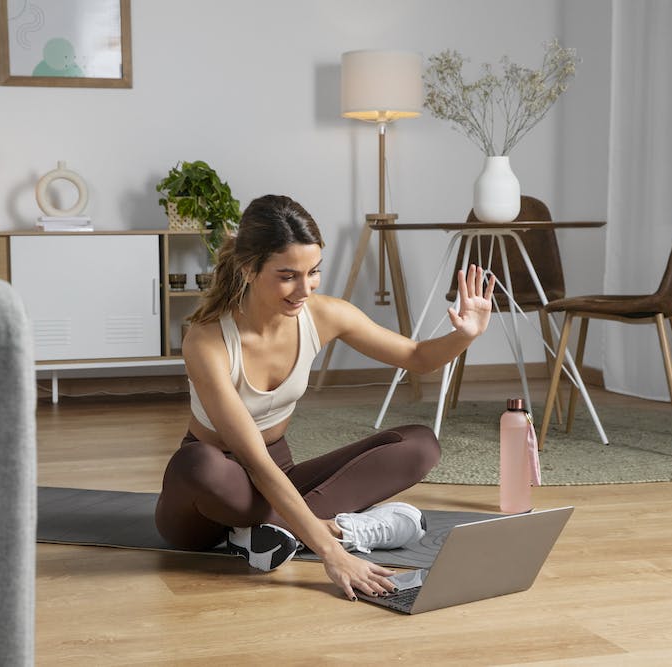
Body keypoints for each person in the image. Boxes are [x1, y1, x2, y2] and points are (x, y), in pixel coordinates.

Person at [155, 194, 495, 601]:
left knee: (419, 445)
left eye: (313, 272)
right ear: (248, 269)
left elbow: (417, 357)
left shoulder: (322, 314)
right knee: (201, 465)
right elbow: (254, 462)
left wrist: (464, 335)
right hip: (209, 499)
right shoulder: (207, 339)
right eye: (287, 276)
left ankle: (272, 533)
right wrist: (333, 553)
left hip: (277, 475)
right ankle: (330, 529)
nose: (305, 289)